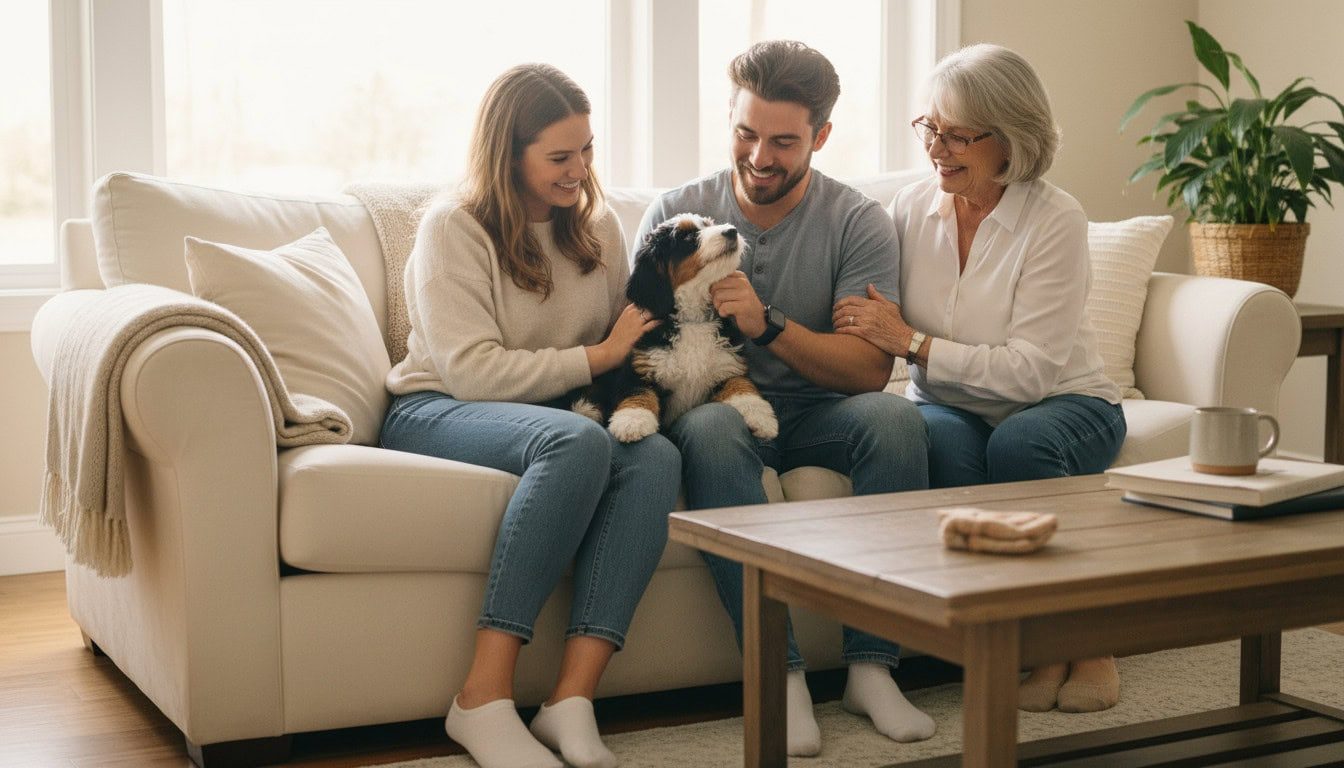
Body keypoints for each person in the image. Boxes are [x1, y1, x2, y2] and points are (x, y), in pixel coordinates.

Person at [636, 40, 935, 756]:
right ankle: (782, 676)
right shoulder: (676, 213)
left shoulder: (857, 221)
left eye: (783, 142)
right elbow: (643, 343)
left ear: (821, 137)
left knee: (896, 420)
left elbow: (868, 370)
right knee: (713, 430)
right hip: (716, 412)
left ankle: (872, 669)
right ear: (730, 118)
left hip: (821, 411)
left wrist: (766, 324)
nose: (759, 156)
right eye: (747, 133)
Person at [380, 64, 680, 768]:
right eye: (559, 156)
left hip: (556, 413)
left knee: (655, 456)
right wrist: (597, 358)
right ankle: (481, 699)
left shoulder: (597, 226)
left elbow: (624, 343)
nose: (580, 170)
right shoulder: (453, 227)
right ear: (508, 155)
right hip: (437, 407)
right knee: (578, 444)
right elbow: (471, 370)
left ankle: (571, 699)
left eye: (587, 149)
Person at [834, 43, 1128, 714]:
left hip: (1066, 401)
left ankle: (1084, 641)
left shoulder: (1055, 218)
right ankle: (1015, 641)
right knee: (935, 440)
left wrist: (912, 343)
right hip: (949, 403)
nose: (936, 149)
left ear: (1011, 139)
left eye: (958, 135)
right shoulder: (909, 210)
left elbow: (1030, 372)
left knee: (1020, 444)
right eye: (929, 128)